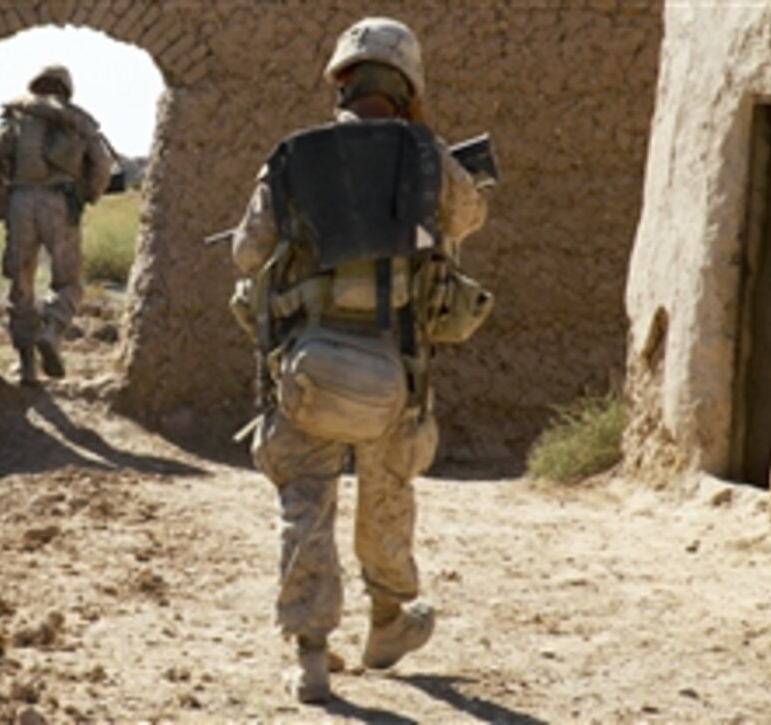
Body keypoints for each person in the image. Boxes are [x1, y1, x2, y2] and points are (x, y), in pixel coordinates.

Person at [229, 17, 491, 703]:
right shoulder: (429, 156)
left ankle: (310, 657)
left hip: (307, 370)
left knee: (304, 508)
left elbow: (246, 254)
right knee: (386, 501)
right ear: (407, 88)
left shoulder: (290, 159)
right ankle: (387, 620)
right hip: (394, 373)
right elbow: (467, 221)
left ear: (340, 81)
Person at [0, 64, 113, 385]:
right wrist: (87, 195)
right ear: (66, 88)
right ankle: (53, 331)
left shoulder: (16, 118)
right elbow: (102, 164)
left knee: (21, 284)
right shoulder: (76, 119)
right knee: (68, 281)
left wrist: (2, 207)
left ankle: (27, 367)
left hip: (20, 203)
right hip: (60, 201)